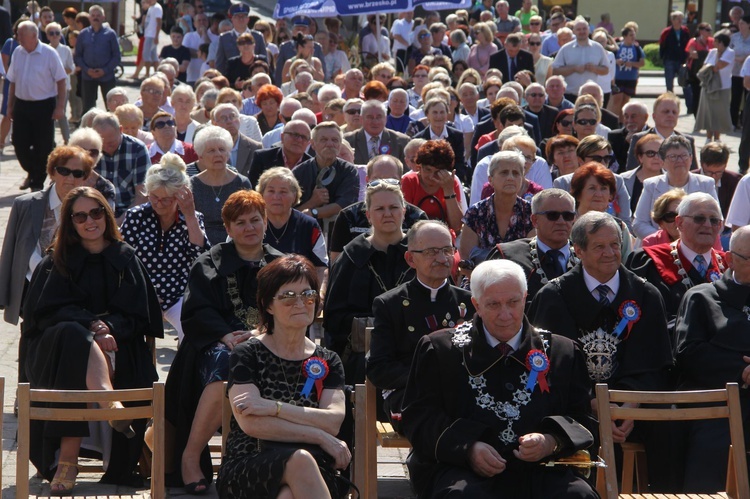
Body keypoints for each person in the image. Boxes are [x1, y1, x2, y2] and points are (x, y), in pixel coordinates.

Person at [401, 258, 598, 498]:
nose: (505, 314)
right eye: (493, 304)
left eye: (513, 302)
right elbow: (419, 418)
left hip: (543, 470)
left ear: (525, 298)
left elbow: (582, 419)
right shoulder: (439, 349)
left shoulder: (562, 352)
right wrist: (467, 448)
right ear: (476, 304)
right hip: (463, 468)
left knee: (578, 496)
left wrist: (550, 441)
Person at [22, 186, 162, 492]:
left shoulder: (126, 259)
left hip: (119, 343)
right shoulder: (56, 260)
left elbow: (140, 316)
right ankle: (106, 402)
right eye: (80, 216)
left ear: (106, 215)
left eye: (96, 213)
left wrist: (108, 328)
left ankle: (69, 461)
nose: (90, 221)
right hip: (58, 349)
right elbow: (43, 315)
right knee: (73, 334)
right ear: (71, 222)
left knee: (80, 338)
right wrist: (93, 327)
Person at [528, 210, 674, 490]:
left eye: (615, 245)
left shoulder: (646, 295)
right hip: (576, 406)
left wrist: (630, 407)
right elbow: (545, 366)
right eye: (599, 246)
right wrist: (592, 403)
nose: (609, 253)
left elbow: (656, 365)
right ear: (579, 250)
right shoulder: (553, 296)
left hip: (634, 409)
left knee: (670, 431)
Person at [164, 189, 283, 493]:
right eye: (240, 222)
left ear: (265, 221)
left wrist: (262, 332)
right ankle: (190, 458)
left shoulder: (282, 265)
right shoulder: (208, 263)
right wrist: (226, 334)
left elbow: (295, 305)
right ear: (228, 229)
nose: (249, 227)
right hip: (217, 343)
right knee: (227, 364)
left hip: (272, 342)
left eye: (255, 220)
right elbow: (196, 312)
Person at [217, 255, 349, 498]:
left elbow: (332, 422)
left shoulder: (328, 360)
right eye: (288, 296)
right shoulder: (248, 353)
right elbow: (251, 423)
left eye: (308, 294)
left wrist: (272, 407)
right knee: (299, 461)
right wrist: (317, 434)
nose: (300, 303)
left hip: (316, 466)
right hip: (250, 461)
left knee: (289, 492)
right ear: (268, 305)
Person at [368, 220, 474, 432]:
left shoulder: (470, 302)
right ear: (410, 259)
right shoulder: (390, 304)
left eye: (447, 250)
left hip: (459, 393)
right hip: (410, 394)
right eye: (431, 252)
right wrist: (429, 378)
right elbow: (379, 368)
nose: (442, 259)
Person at [674, 226, 750, 493]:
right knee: (714, 446)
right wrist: (741, 370)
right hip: (716, 405)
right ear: (729, 259)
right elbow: (688, 353)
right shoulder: (702, 297)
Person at [0, 145, 95, 341]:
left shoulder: (90, 209)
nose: (70, 178)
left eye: (78, 173)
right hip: (29, 287)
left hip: (68, 292)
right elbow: (10, 248)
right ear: (52, 172)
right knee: (32, 340)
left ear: (85, 178)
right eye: (63, 171)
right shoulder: (25, 204)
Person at [323, 180, 415, 382]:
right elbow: (334, 318)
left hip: (416, 355)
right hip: (362, 359)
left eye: (393, 207)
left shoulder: (420, 252)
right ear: (368, 215)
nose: (387, 213)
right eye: (380, 208)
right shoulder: (351, 257)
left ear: (404, 211)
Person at [120, 154, 209, 342]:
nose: (159, 204)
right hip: (141, 291)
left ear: (179, 197)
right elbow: (122, 259)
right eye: (154, 197)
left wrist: (190, 215)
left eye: (166, 199)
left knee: (194, 331)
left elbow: (201, 256)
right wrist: (146, 297)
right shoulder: (136, 217)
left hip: (178, 293)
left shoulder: (191, 218)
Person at [627, 192, 726, 322]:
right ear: (680, 222)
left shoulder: (731, 265)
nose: (707, 225)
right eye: (699, 218)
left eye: (714, 220)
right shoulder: (648, 261)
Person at [486, 188, 577, 308]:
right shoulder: (508, 257)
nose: (561, 221)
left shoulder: (587, 255)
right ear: (535, 220)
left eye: (568, 216)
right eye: (552, 215)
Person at [329, 155, 428, 262]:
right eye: (377, 180)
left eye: (391, 180)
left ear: (401, 182)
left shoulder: (417, 217)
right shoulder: (348, 217)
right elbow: (337, 264)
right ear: (367, 181)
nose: (384, 185)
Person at [6, 20, 67, 192]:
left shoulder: (49, 54)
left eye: (21, 36)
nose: (18, 39)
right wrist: (9, 107)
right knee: (19, 143)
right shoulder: (18, 52)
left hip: (44, 105)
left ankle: (37, 181)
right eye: (18, 35)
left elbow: (61, 81)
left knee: (43, 146)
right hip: (22, 105)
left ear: (34, 36)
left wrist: (60, 107)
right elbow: (12, 82)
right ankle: (32, 171)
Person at [633, 135, 718, 240]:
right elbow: (639, 223)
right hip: (658, 245)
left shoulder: (706, 184)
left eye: (684, 155)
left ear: (691, 159)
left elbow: (718, 221)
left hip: (696, 244)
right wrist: (664, 239)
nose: (679, 160)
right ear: (662, 162)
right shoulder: (651, 185)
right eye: (673, 156)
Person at [256, 167, 328, 284]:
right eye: (271, 191)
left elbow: (321, 267)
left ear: (294, 196)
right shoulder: (250, 223)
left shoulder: (309, 225)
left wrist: (318, 297)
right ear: (262, 194)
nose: (276, 197)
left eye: (283, 192)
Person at [461, 150, 535, 259]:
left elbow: (532, 256)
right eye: (504, 172)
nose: (510, 178)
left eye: (516, 173)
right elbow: (466, 257)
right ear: (490, 180)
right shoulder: (475, 213)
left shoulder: (530, 212)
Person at [190, 125, 253, 245]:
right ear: (201, 156)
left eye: (222, 149)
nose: (218, 154)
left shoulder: (242, 182)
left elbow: (249, 218)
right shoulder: (193, 184)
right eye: (211, 151)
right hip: (201, 244)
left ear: (228, 153)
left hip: (237, 243)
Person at [292, 121, 360, 222]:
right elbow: (289, 211)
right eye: (324, 140)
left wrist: (314, 212)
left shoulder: (349, 171)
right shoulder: (299, 172)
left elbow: (345, 204)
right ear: (313, 144)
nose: (330, 144)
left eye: (335, 140)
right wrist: (312, 202)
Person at [92, 113, 150, 220]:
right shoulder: (90, 149)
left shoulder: (137, 149)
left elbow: (142, 195)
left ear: (120, 130)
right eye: (102, 142)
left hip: (130, 213)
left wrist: (119, 223)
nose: (106, 147)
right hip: (95, 213)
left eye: (111, 143)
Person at [569, 162, 634, 259]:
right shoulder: (567, 224)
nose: (599, 194)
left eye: (603, 189)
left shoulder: (619, 227)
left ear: (610, 195)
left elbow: (627, 264)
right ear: (578, 194)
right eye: (592, 188)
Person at [401, 139, 464, 233]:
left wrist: (448, 191)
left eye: (438, 172)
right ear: (419, 166)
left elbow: (456, 226)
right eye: (428, 170)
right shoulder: (409, 181)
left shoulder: (450, 182)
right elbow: (403, 221)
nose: (431, 176)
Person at [626, 92, 698, 170]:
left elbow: (693, 172)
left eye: (674, 112)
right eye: (666, 111)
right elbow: (632, 170)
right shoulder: (639, 139)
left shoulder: (687, 140)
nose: (670, 115)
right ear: (654, 116)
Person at [73, 5, 120, 114]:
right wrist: (86, 69)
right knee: (88, 109)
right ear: (89, 18)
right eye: (93, 15)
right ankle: (89, 129)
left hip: (107, 76)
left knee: (112, 107)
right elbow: (78, 56)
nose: (95, 18)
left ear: (103, 17)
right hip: (87, 76)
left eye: (98, 15)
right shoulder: (83, 34)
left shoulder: (110, 34)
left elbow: (116, 56)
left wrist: (105, 70)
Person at [551, 17, 610, 99]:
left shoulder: (598, 48)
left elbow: (606, 70)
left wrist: (594, 68)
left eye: (584, 29)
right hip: (570, 94)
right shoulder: (566, 48)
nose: (582, 31)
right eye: (579, 29)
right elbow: (555, 71)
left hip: (590, 96)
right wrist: (573, 68)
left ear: (589, 30)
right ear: (574, 31)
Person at [413, 98, 467, 181]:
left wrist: (452, 179)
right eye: (435, 112)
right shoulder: (418, 138)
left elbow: (460, 163)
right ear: (427, 115)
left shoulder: (457, 136)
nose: (439, 116)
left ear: (447, 114)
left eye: (442, 112)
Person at [693, 31, 734, 143]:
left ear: (721, 43)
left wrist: (719, 55)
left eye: (716, 41)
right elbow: (705, 66)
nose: (713, 43)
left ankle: (717, 137)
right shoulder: (712, 52)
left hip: (723, 87)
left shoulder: (730, 52)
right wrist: (715, 57)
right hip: (708, 85)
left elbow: (718, 66)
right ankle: (708, 136)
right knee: (708, 111)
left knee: (719, 112)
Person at [249, 120, 313, 185]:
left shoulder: (312, 166)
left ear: (308, 143)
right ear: (282, 137)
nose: (299, 140)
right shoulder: (262, 158)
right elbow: (252, 189)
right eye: (295, 135)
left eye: (304, 137)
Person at [214, 3, 266, 76]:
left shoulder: (258, 36)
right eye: (237, 16)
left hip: (254, 78)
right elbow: (220, 64)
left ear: (248, 19)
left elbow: (264, 62)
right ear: (232, 19)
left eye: (244, 16)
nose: (241, 19)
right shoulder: (224, 38)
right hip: (232, 79)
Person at [620, 134, 664, 213]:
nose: (656, 157)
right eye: (650, 153)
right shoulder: (622, 180)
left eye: (661, 153)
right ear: (640, 157)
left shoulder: (673, 181)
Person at [610, 26, 646, 118]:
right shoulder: (617, 47)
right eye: (631, 35)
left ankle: (622, 122)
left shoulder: (637, 48)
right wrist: (616, 61)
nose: (633, 37)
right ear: (625, 36)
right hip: (618, 78)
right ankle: (614, 121)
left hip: (631, 78)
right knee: (617, 100)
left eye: (634, 35)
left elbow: (642, 63)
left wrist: (632, 64)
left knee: (625, 101)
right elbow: (609, 59)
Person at [608, 101, 649, 169]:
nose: (629, 120)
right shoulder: (614, 136)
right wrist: (627, 145)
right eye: (626, 116)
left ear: (645, 117)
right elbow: (616, 166)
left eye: (633, 116)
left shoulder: (653, 135)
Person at [685, 23, 714, 118]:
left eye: (710, 30)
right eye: (707, 29)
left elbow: (716, 53)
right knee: (696, 94)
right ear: (701, 31)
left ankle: (705, 116)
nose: (710, 32)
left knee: (708, 95)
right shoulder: (693, 41)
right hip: (695, 73)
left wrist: (701, 53)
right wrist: (708, 54)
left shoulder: (712, 41)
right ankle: (696, 116)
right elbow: (693, 54)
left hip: (709, 72)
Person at [660, 11, 690, 97]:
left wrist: (687, 57)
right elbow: (662, 45)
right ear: (672, 20)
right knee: (669, 83)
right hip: (670, 60)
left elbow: (688, 44)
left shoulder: (685, 31)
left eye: (681, 18)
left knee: (685, 83)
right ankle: (670, 101)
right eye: (678, 19)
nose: (680, 21)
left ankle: (690, 107)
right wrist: (663, 58)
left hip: (682, 60)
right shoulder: (666, 32)